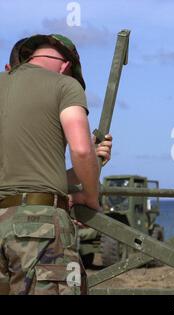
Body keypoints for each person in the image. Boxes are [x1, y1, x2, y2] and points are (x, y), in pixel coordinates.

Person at [0, 34, 103, 295]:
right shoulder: (65, 86)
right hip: (38, 230)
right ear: (66, 66)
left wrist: (95, 159)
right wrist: (90, 195)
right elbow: (80, 149)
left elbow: (31, 174)